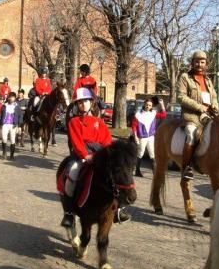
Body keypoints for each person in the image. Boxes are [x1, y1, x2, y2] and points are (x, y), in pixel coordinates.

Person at [61, 87, 129, 228]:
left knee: (116, 174)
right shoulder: (73, 122)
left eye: (85, 101)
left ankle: (119, 208)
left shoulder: (99, 122)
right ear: (77, 105)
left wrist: (108, 154)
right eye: (80, 103)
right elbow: (76, 142)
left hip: (99, 154)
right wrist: (86, 156)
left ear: (91, 103)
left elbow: (107, 140)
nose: (83, 104)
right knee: (72, 172)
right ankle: (68, 212)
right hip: (82, 155)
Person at [176, 50, 218, 180]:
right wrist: (199, 107)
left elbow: (214, 97)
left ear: (206, 64)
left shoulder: (208, 80)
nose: (199, 64)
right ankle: (186, 167)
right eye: (197, 61)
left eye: (202, 62)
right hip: (191, 116)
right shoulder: (185, 77)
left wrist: (215, 106)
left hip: (208, 115)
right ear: (192, 63)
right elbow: (181, 97)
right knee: (192, 133)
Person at [132, 97, 166, 177]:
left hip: (151, 137)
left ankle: (155, 173)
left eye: (150, 105)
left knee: (152, 154)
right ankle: (137, 171)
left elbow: (163, 115)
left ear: (152, 106)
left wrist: (162, 104)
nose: (148, 106)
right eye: (147, 105)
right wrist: (135, 136)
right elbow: (134, 126)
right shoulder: (138, 114)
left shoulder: (153, 113)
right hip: (142, 137)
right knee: (140, 153)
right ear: (144, 104)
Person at [0, 91, 21, 160]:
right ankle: (4, 152)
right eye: (10, 97)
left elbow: (20, 116)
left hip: (13, 125)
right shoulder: (4, 106)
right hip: (5, 125)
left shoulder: (17, 107)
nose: (11, 98)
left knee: (13, 140)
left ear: (15, 98)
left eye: (12, 97)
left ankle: (12, 155)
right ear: (8, 98)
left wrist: (19, 126)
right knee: (4, 139)